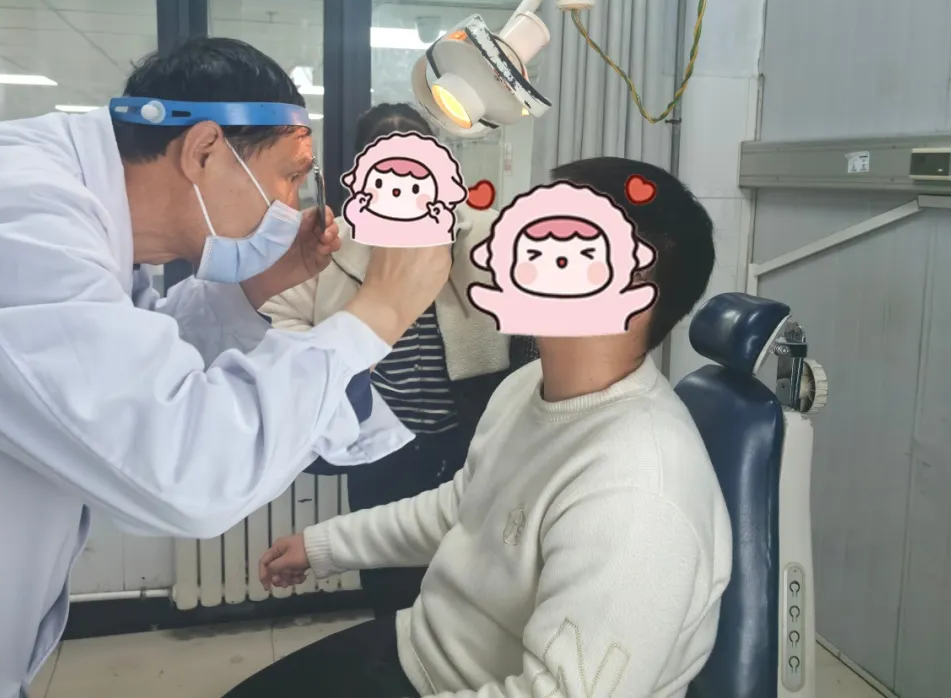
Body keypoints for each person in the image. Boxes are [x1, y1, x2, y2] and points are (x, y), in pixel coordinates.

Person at [0, 38, 451, 698]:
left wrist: (249, 289)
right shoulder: (4, 216)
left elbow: (118, 363)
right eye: (288, 177)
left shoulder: (71, 209)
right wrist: (376, 314)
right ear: (204, 150)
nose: (291, 206)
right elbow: (183, 467)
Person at [235, 157, 734, 698]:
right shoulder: (527, 385)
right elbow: (463, 507)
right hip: (419, 648)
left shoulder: (641, 495)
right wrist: (323, 545)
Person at [262, 102, 534, 616]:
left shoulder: (476, 231)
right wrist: (333, 369)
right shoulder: (332, 241)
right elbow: (281, 316)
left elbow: (522, 299)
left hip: (466, 434)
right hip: (379, 444)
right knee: (387, 579)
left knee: (468, 573)